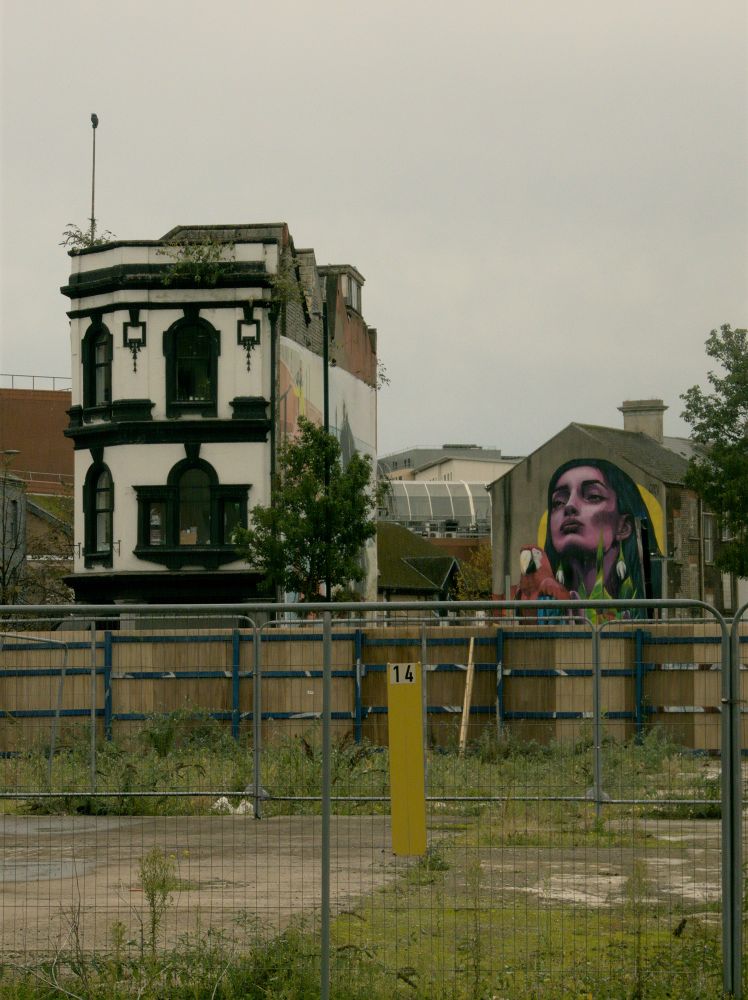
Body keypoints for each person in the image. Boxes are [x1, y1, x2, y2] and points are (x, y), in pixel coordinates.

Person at [542, 459, 662, 617]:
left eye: (592, 496)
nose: (569, 505)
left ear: (624, 526)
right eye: (558, 502)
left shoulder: (642, 607)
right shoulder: (541, 600)